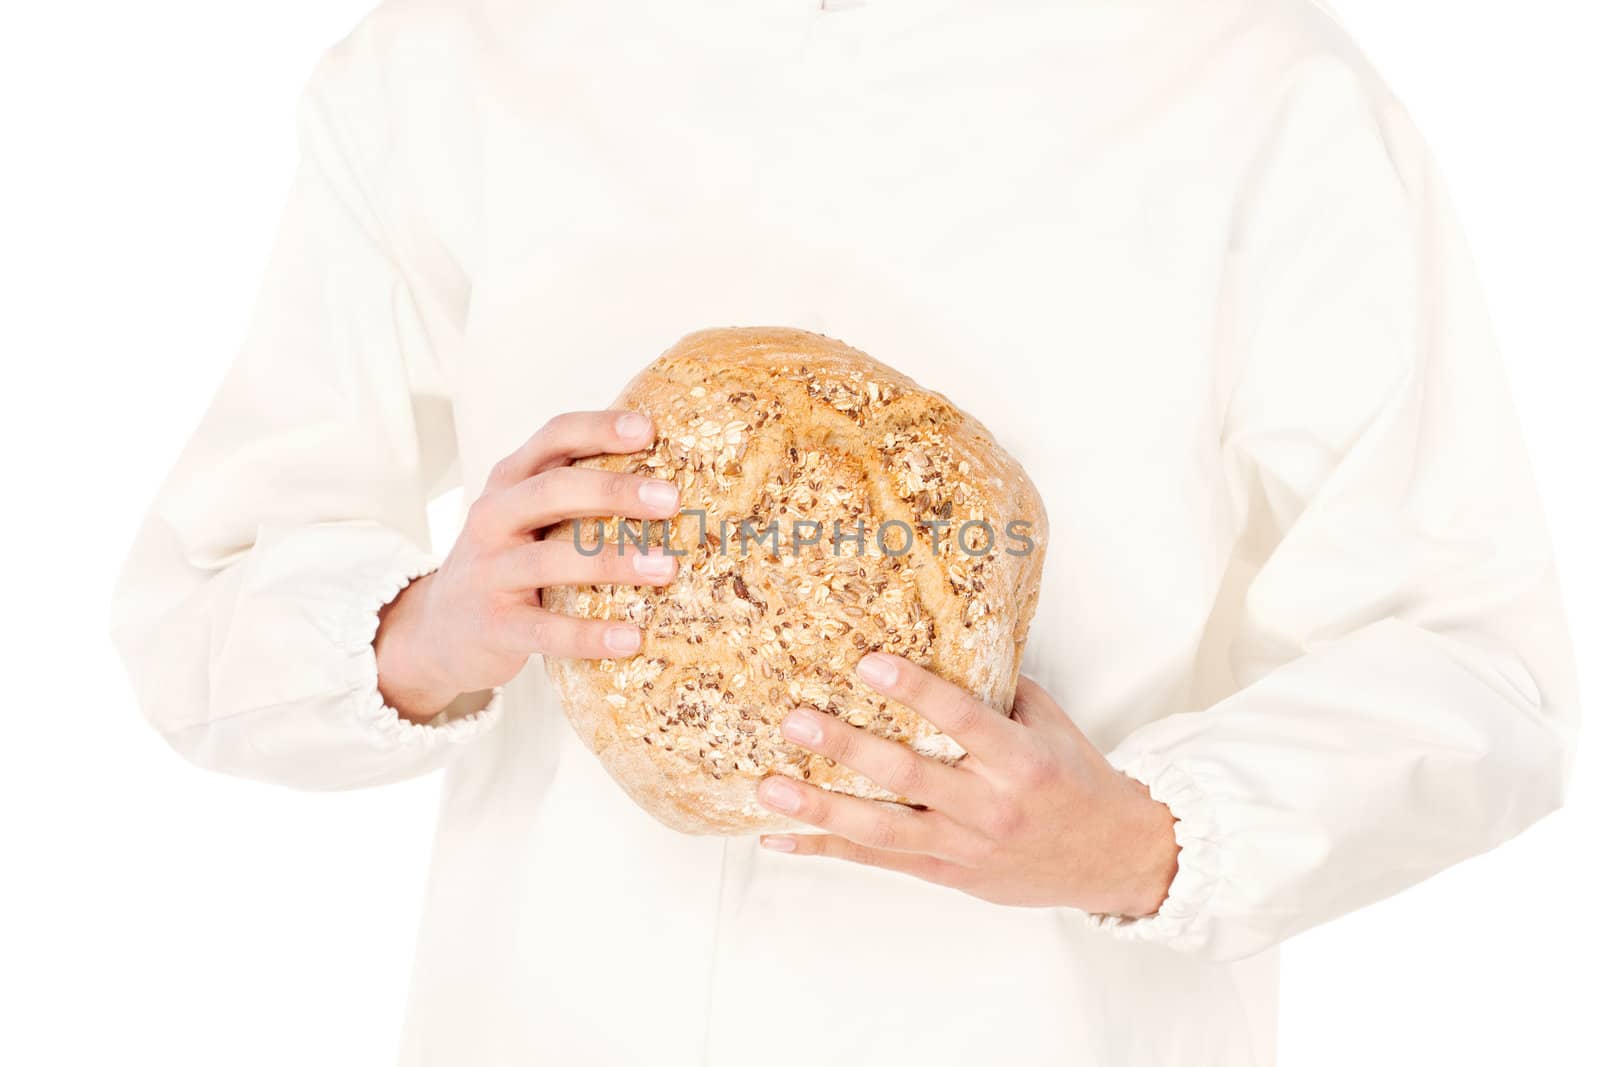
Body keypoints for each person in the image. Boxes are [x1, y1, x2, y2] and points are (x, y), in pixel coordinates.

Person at [109, 1, 1581, 1064]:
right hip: (553, 1020)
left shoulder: (1250, 89)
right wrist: (431, 628)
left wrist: (1138, 842)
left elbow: (1473, 659)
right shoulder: (450, 69)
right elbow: (202, 607)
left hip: (1037, 1036)